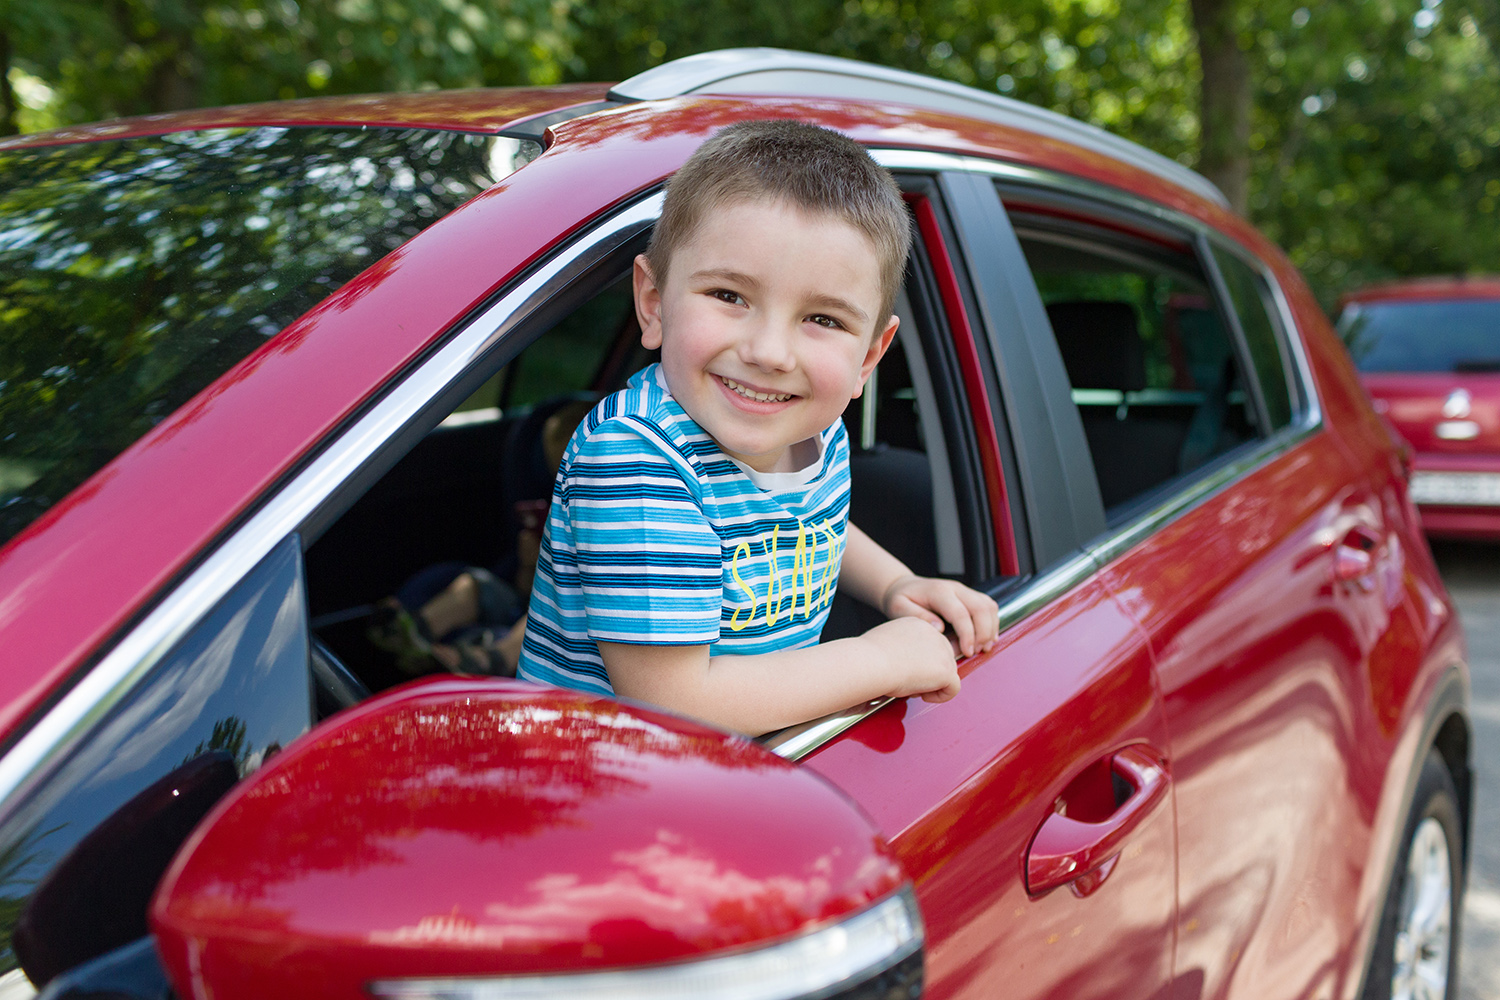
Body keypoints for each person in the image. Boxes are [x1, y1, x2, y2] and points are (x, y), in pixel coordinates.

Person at [517, 119, 999, 736]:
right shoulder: (637, 461)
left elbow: (808, 527)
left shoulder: (816, 434)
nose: (770, 352)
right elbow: (675, 703)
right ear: (654, 302)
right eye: (730, 295)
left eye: (822, 318)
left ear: (868, 361)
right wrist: (879, 660)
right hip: (604, 797)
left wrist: (895, 584)